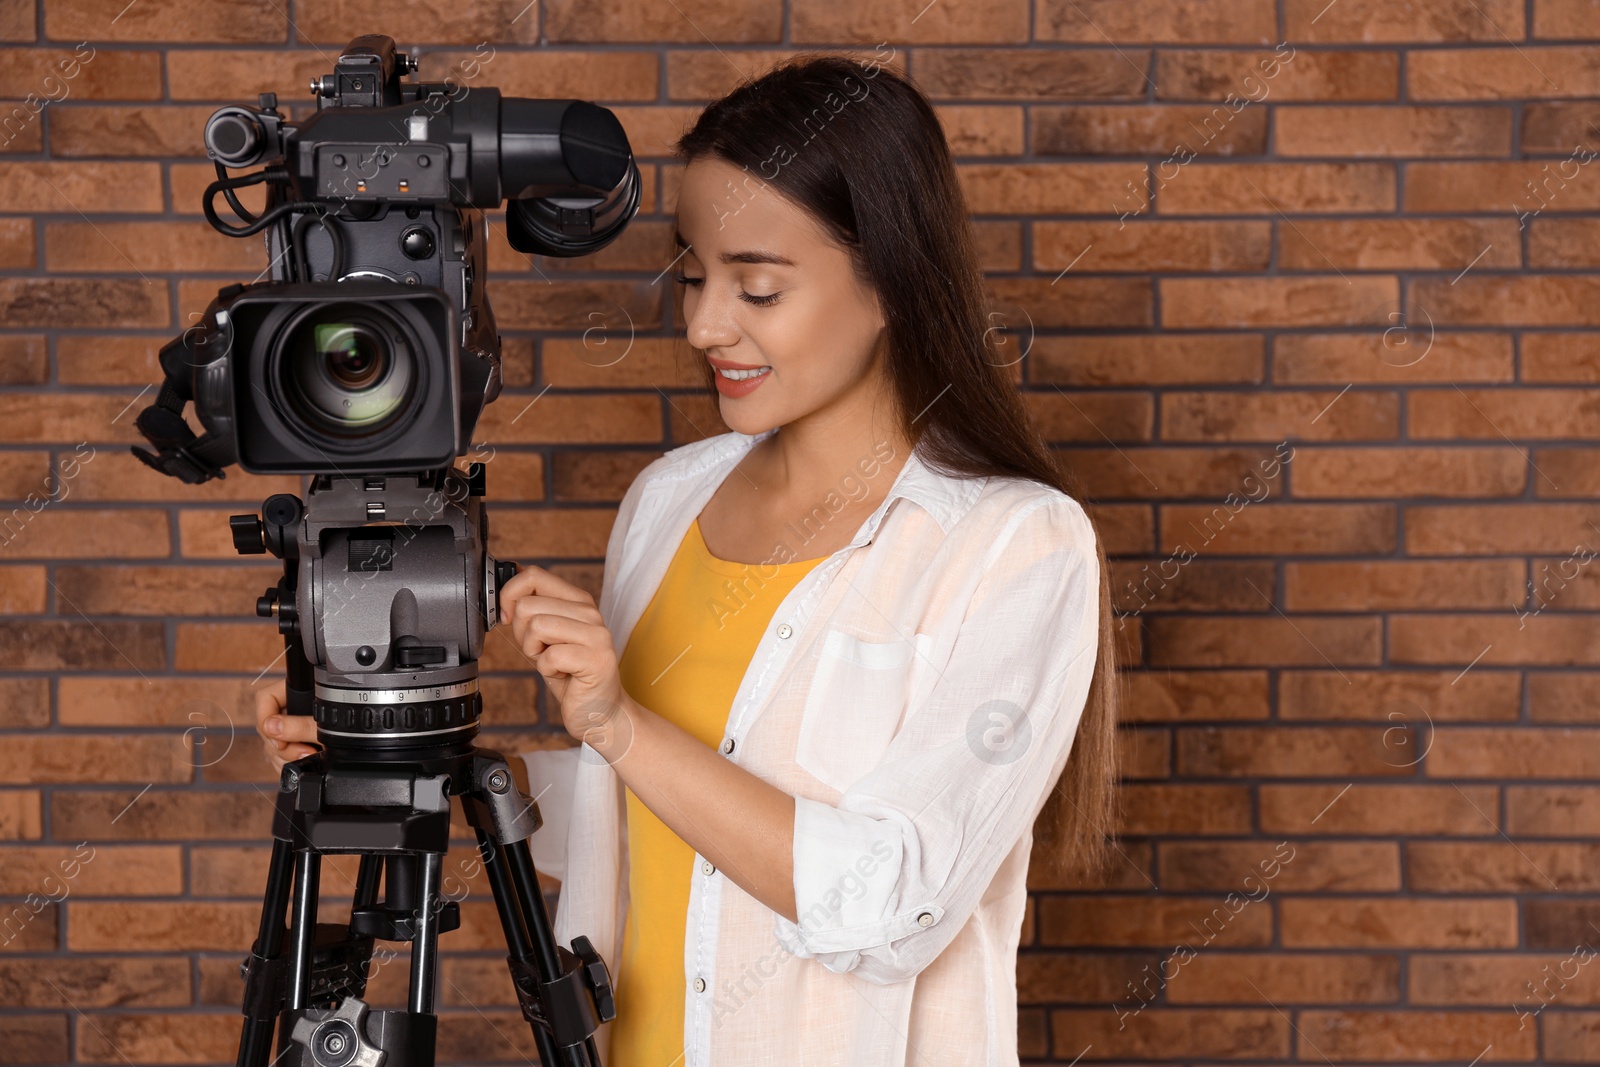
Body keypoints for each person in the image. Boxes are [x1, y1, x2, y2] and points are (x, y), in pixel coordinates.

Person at [256, 52, 1120, 1066]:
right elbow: (643, 829)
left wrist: (623, 726)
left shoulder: (1014, 543)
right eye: (696, 277)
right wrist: (391, 746)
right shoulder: (669, 499)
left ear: (889, 281)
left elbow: (892, 899)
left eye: (757, 287)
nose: (706, 325)